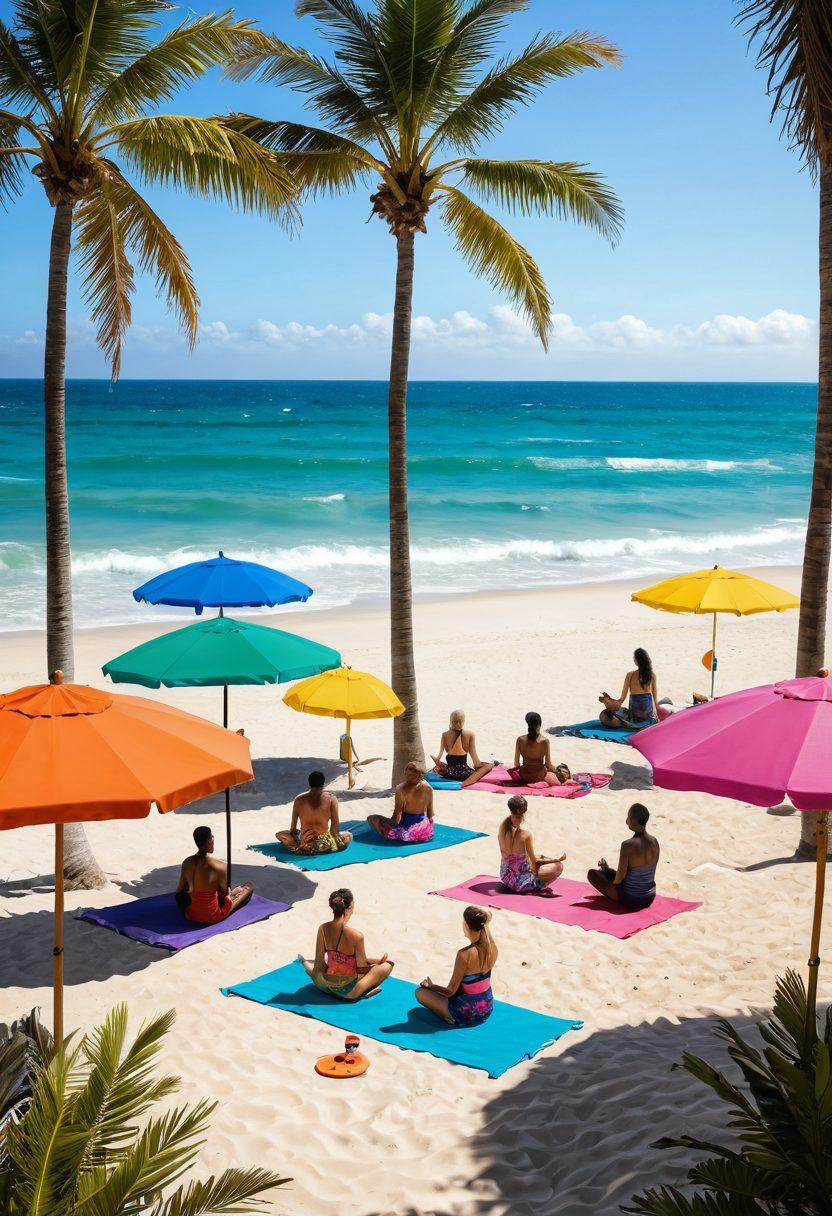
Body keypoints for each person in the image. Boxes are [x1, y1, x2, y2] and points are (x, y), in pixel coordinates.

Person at [299, 888, 393, 1000]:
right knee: (387, 965)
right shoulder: (356, 936)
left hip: (321, 984)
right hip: (347, 992)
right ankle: (364, 991)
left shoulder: (323, 929)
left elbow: (319, 965)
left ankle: (306, 964)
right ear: (349, 908)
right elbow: (362, 973)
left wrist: (371, 960)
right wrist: (374, 965)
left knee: (327, 962)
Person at [416, 906, 498, 1027]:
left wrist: (431, 986)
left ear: (466, 925)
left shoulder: (464, 954)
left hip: (468, 1013)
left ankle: (449, 1017)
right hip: (486, 1008)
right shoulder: (492, 948)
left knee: (419, 993)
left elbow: (450, 992)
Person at [587, 803, 660, 908]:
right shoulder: (654, 841)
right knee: (605, 872)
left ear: (633, 821)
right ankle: (606, 870)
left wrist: (612, 887)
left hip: (632, 899)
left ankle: (608, 879)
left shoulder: (627, 845)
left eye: (628, 817)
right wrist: (607, 871)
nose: (627, 820)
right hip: (649, 896)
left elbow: (620, 876)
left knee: (593, 874)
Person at [176, 825, 253, 924]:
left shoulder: (187, 862)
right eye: (212, 837)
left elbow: (180, 891)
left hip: (191, 914)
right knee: (249, 887)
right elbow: (225, 896)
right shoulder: (220, 867)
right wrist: (234, 892)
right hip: (211, 917)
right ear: (211, 841)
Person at [498, 795, 566, 894]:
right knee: (558, 866)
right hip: (520, 884)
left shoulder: (503, 828)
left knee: (539, 858)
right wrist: (537, 869)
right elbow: (533, 864)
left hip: (505, 876)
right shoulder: (526, 835)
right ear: (524, 812)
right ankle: (533, 887)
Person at [276, 771, 353, 855]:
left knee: (280, 835)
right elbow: (335, 830)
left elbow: (293, 829)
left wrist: (298, 838)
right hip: (324, 846)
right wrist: (337, 842)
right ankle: (324, 848)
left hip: (306, 844)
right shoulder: (331, 799)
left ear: (309, 783)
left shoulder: (299, 800)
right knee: (349, 835)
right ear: (323, 783)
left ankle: (299, 847)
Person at [368, 760, 435, 843]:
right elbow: (430, 813)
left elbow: (398, 813)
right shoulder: (428, 787)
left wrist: (391, 826)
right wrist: (428, 827)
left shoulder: (401, 788)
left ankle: (390, 833)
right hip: (424, 832)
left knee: (372, 818)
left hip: (406, 832)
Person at [431, 710, 494, 787]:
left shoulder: (444, 735)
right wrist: (482, 766)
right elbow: (476, 762)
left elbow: (438, 757)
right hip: (464, 774)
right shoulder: (470, 734)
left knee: (445, 765)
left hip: (448, 773)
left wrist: (439, 763)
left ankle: (444, 767)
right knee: (488, 766)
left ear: (451, 721)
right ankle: (465, 783)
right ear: (463, 721)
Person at [599, 649, 658, 729]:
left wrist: (612, 703)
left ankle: (627, 723)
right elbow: (655, 699)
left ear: (636, 661)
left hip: (634, 717)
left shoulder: (630, 675)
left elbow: (622, 699)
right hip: (647, 716)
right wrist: (657, 714)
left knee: (605, 715)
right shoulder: (652, 675)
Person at [510, 712, 567, 786]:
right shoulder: (544, 741)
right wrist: (557, 772)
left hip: (524, 775)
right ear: (539, 725)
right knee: (553, 772)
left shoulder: (520, 739)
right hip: (539, 776)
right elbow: (548, 765)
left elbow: (516, 764)